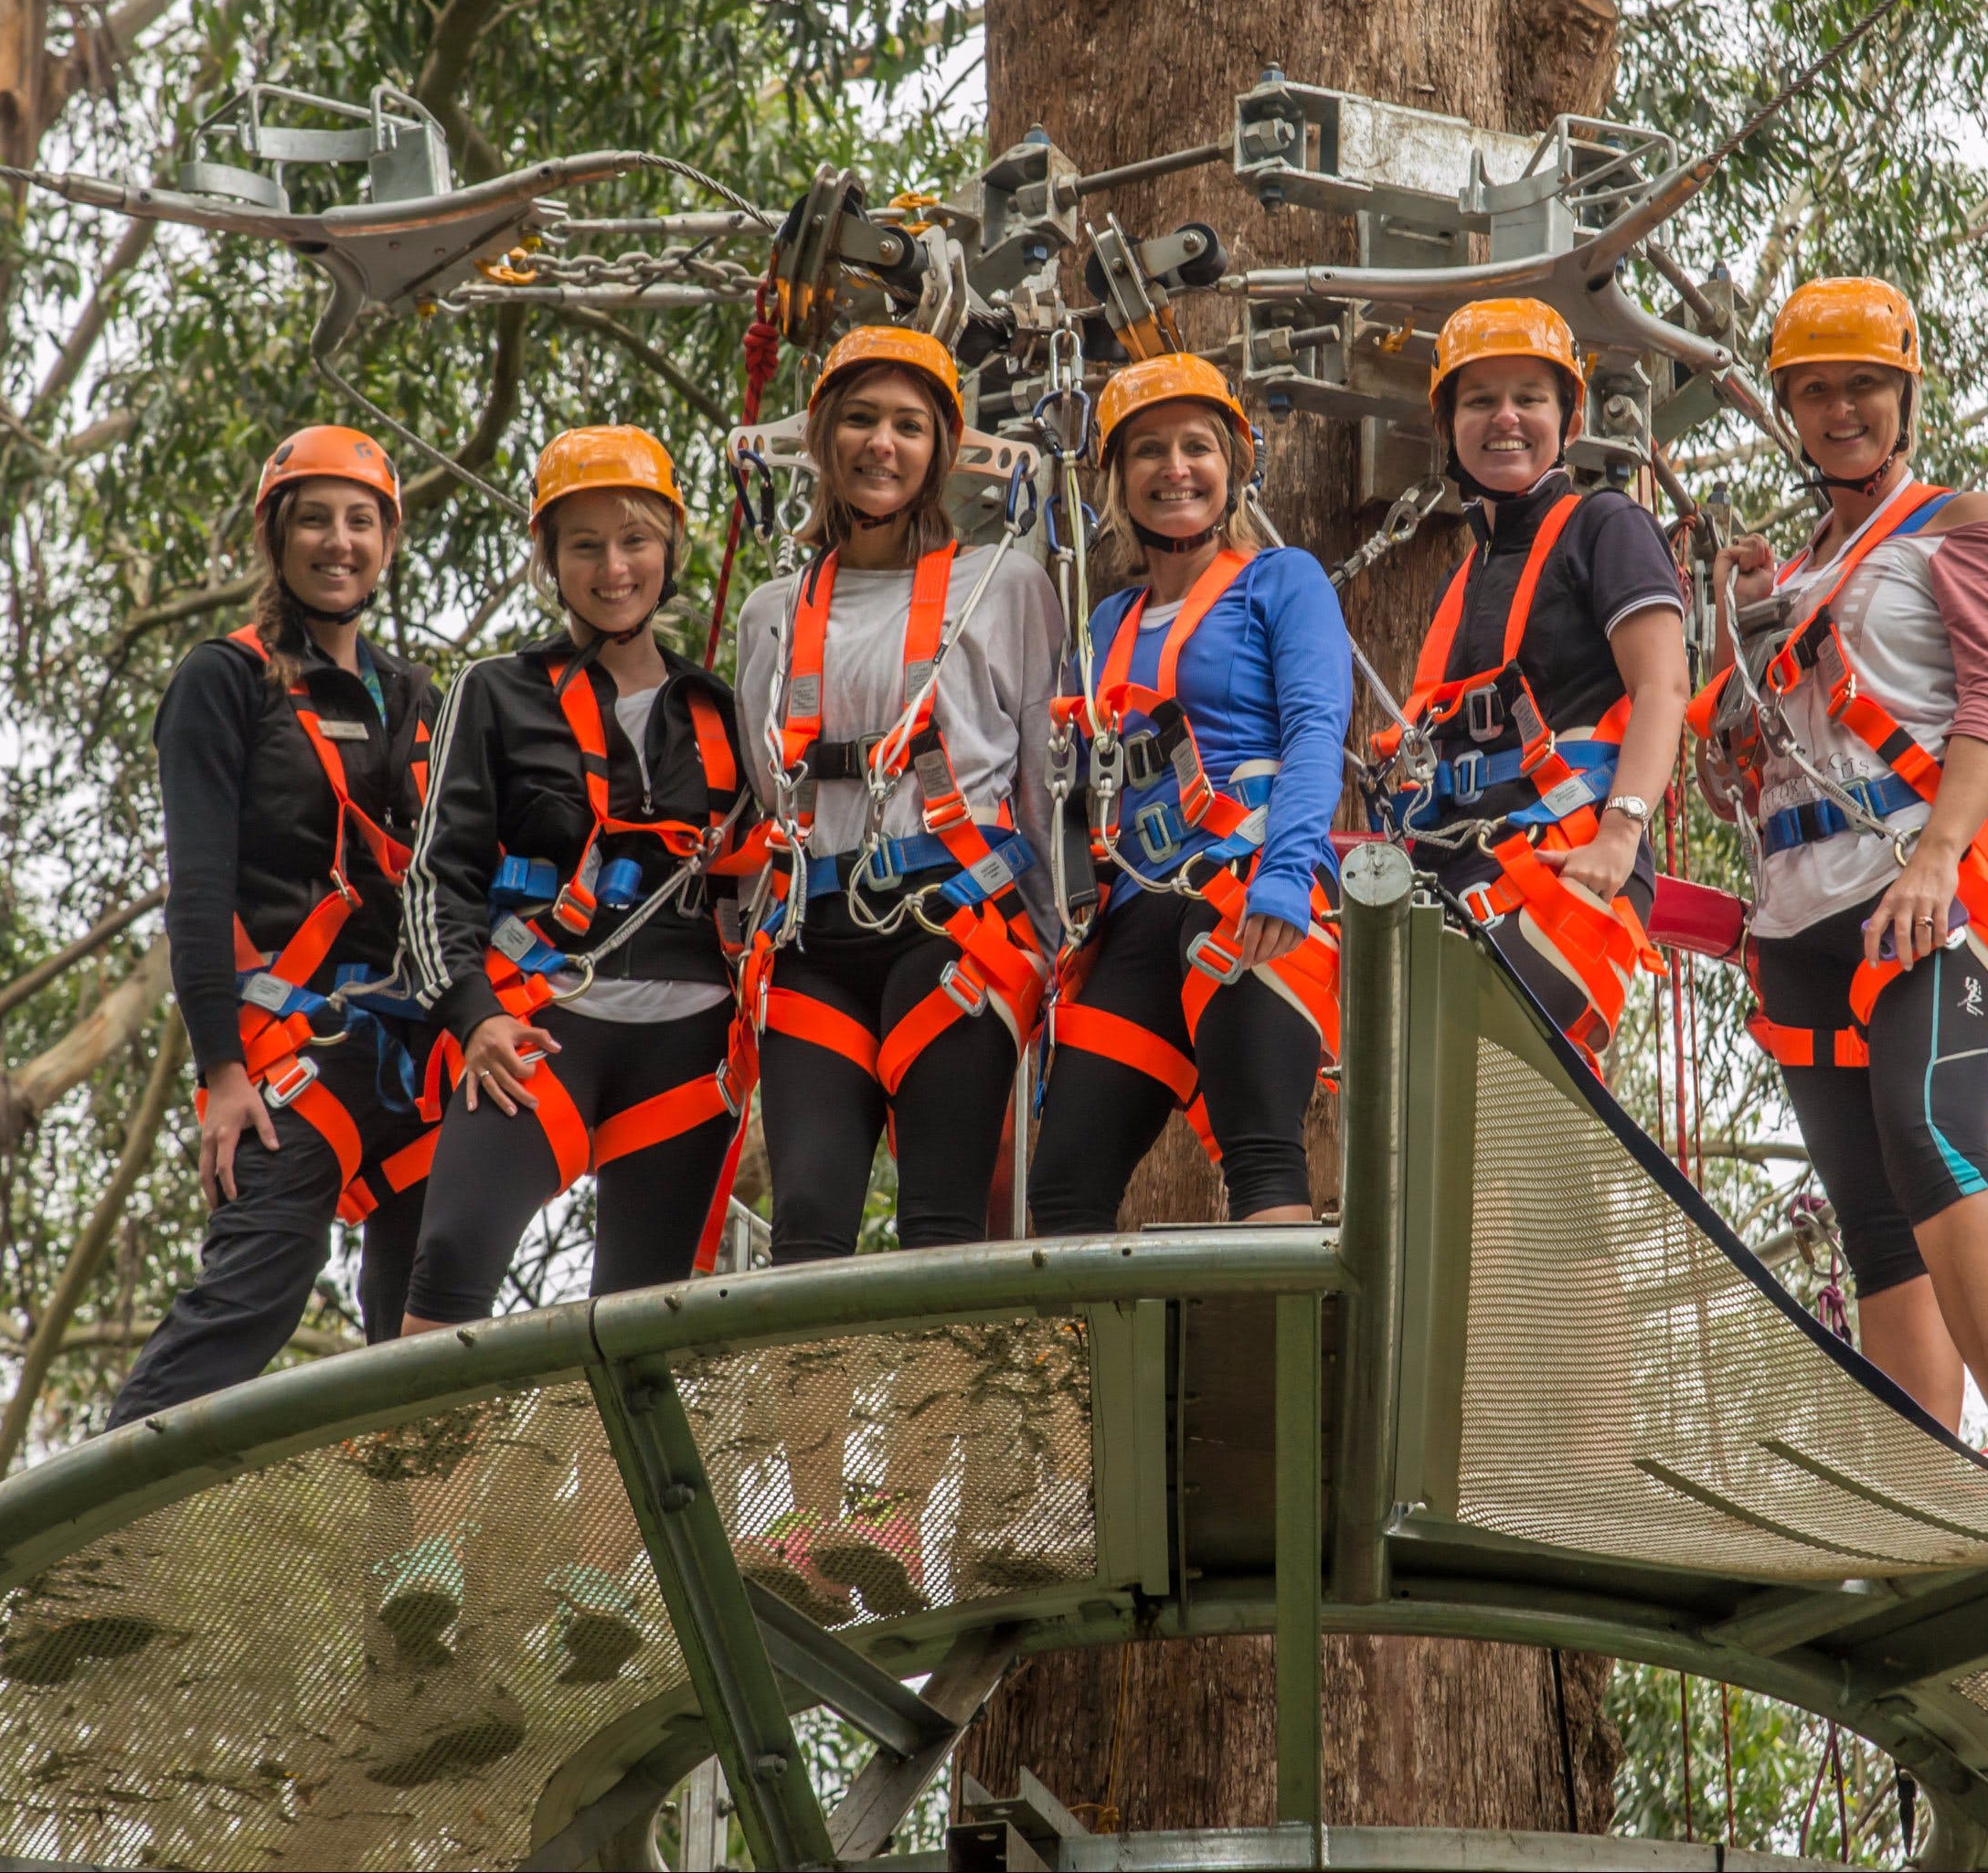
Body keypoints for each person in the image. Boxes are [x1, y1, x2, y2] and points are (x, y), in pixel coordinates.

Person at [722, 325, 1061, 1618]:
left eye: (908, 425)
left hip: (952, 932)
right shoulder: (771, 612)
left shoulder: (1002, 585)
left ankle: (909, 1510)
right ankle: (811, 1518)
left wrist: (1050, 946)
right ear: (823, 441)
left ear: (940, 450)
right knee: (808, 1217)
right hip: (814, 937)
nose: (880, 444)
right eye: (859, 419)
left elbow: (1041, 777)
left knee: (935, 1222)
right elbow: (766, 791)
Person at [1700, 278, 1988, 1466]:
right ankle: (1920, 1465)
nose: (1838, 408)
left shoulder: (1957, 525)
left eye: (1860, 385)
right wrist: (1736, 623)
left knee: (1928, 1135)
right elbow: (1735, 772)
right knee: (1867, 1208)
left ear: (1903, 396)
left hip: (1923, 885)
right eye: (1812, 390)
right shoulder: (1794, 570)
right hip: (1800, 910)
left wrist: (1942, 856)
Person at [108, 427, 436, 1427]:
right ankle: (84, 1553)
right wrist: (220, 1073)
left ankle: (408, 1559)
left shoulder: (413, 696)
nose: (337, 542)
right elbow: (197, 889)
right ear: (274, 536)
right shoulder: (227, 680)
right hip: (286, 1052)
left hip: (413, 1051)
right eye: (313, 519)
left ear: (387, 539)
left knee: (425, 1322)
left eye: (359, 520)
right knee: (250, 1295)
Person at [399, 422, 755, 1336]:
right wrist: (474, 1017)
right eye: (583, 545)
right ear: (548, 561)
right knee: (452, 1254)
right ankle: (416, 1478)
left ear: (669, 550)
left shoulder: (715, 710)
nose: (612, 567)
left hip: (685, 1043)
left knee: (642, 1320)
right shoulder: (497, 689)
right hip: (538, 1021)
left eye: (634, 539)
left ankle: (619, 1484)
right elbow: (437, 877)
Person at [1026, 353, 1350, 1232]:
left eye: (1197, 447)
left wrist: (1288, 876)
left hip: (1245, 885)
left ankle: (1269, 1366)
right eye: (1149, 452)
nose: (1175, 469)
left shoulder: (1281, 581)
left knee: (1261, 1148)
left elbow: (1318, 732)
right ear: (1119, 478)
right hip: (1136, 908)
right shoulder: (1105, 624)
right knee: (1060, 1187)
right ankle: (1077, 1373)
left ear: (1232, 465)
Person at [1379, 297, 1687, 1055]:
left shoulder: (1604, 525)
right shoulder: (1466, 579)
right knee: (1429, 1120)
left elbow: (1663, 688)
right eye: (1480, 400)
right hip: (1458, 862)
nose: (1505, 418)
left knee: (1476, 1076)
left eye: (1530, 399)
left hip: (1568, 848)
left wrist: (1621, 835)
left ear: (1569, 423)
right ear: (1450, 427)